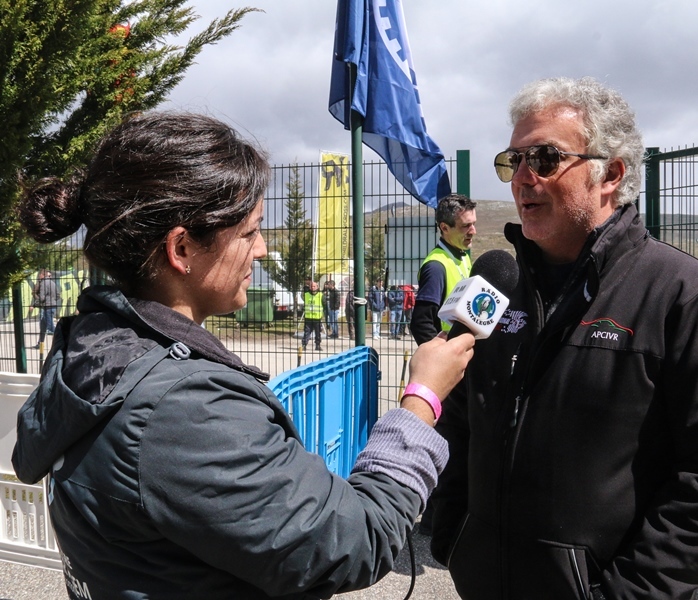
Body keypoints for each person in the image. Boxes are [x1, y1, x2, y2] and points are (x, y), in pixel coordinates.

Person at [10, 111, 475, 600]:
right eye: (251, 232)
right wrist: (421, 401)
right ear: (182, 247)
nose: (262, 249)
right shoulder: (184, 409)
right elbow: (356, 542)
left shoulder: (92, 349)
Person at [430, 77, 698, 600]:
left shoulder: (679, 296)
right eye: (513, 160)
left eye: (545, 158)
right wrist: (455, 535)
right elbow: (460, 421)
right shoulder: (497, 286)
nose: (522, 178)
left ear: (610, 174)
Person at [411, 194, 477, 346]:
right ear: (445, 228)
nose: (473, 231)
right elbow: (421, 323)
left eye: (474, 224)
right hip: (451, 356)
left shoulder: (462, 256)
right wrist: (442, 357)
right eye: (466, 226)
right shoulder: (436, 266)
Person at [29, 268, 62, 349]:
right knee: (43, 327)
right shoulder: (53, 283)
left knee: (50, 327)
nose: (39, 276)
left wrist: (34, 305)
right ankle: (40, 344)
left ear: (42, 275)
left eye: (40, 274)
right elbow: (58, 295)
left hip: (48, 307)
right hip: (52, 306)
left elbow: (42, 297)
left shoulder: (43, 283)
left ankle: (64, 338)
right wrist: (52, 300)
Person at [302, 280, 324, 351]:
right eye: (311, 286)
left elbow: (325, 305)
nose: (313, 287)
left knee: (318, 333)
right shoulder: (306, 295)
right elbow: (302, 295)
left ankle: (318, 345)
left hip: (317, 318)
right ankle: (304, 345)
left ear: (317, 287)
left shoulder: (321, 295)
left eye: (314, 286)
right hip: (308, 317)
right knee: (306, 332)